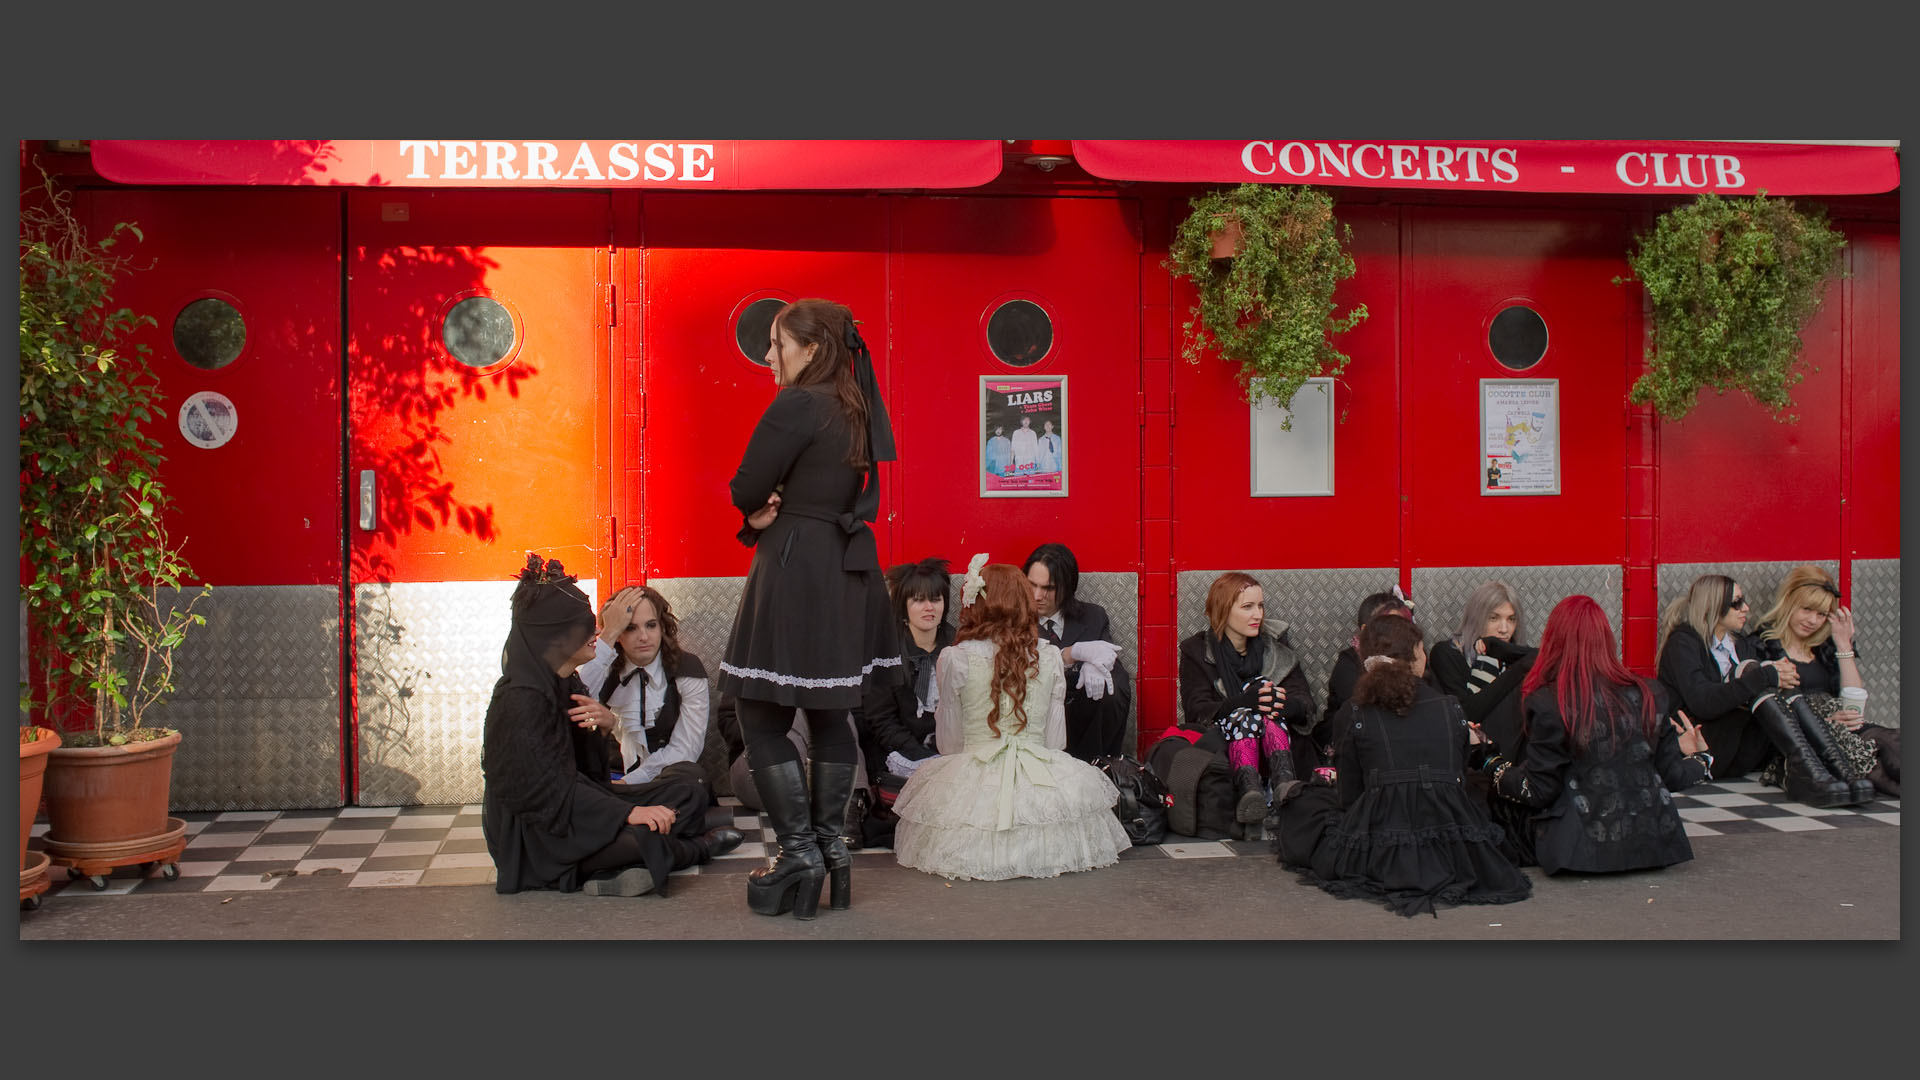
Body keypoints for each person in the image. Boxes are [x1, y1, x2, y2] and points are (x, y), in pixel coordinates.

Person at [718, 298, 901, 920]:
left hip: (797, 565)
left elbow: (746, 486)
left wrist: (759, 508)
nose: (770, 356)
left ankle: (797, 851)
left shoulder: (797, 402)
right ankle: (831, 850)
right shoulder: (853, 405)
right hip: (845, 567)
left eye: (778, 344)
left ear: (812, 349)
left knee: (759, 711)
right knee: (829, 714)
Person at [482, 554, 742, 898]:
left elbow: (588, 773)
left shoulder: (564, 682)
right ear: (555, 638)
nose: (596, 634)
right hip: (538, 835)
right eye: (585, 628)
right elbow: (550, 795)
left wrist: (603, 729)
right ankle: (696, 848)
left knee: (689, 789)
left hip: (579, 805)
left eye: (650, 626)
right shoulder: (520, 701)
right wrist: (629, 812)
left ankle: (627, 855)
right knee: (644, 835)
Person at [1273, 613, 1531, 918]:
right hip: (1445, 832)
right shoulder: (1451, 707)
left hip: (1382, 837)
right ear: (1416, 654)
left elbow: (1350, 796)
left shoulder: (1352, 712)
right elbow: (1457, 777)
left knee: (1305, 804)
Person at [890, 560, 1131, 880]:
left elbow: (949, 743)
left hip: (972, 770)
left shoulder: (954, 658)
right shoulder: (1048, 656)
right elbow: (1056, 742)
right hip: (1039, 771)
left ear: (977, 602)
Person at [1474, 595, 1714, 874]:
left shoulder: (1549, 702)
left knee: (1497, 800)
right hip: (1651, 846)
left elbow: (1537, 790)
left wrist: (1488, 761)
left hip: (1580, 851)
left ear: (1553, 641)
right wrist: (1702, 759)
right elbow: (1673, 776)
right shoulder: (1651, 693)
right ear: (1606, 640)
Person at [1657, 573, 1862, 808]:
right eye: (1736, 603)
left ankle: (1836, 768)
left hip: (1742, 750)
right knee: (1757, 675)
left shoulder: (1740, 644)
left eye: (1743, 601)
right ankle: (1811, 772)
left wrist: (1773, 677)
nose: (1746, 608)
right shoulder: (1684, 642)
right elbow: (1703, 702)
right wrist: (1765, 675)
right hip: (1703, 746)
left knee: (1774, 683)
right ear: (1712, 605)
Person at [1176, 571, 1320, 824]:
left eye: (1261, 606)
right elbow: (1196, 710)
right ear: (1223, 610)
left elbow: (1305, 703)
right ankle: (1250, 793)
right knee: (1247, 716)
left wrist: (1281, 705)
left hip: (1280, 735)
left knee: (1269, 712)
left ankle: (1283, 787)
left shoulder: (1276, 647)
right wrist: (1244, 703)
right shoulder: (1197, 651)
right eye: (1248, 607)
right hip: (1228, 738)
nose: (1258, 615)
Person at [1751, 566, 1898, 799]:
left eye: (1821, 614)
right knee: (1882, 753)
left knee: (1890, 746)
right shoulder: (1761, 647)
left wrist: (1843, 645)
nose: (1813, 621)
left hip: (1847, 728)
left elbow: (1854, 695)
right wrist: (1823, 723)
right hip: (1808, 740)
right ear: (1788, 603)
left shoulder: (1825, 646)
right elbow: (1771, 716)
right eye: (1807, 609)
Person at [578, 585, 710, 791]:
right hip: (609, 777)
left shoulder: (686, 667)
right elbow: (575, 695)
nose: (644, 637)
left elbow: (686, 748)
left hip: (663, 779)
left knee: (692, 780)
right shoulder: (604, 666)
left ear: (662, 627)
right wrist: (608, 636)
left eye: (651, 625)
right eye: (630, 628)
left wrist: (630, 783)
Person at [1022, 542, 1131, 761]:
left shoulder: (1093, 616)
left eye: (1048, 588)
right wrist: (1072, 657)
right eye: (1031, 585)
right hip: (1037, 715)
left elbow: (1109, 659)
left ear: (1067, 587)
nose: (1037, 595)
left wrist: (1094, 664)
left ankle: (1098, 764)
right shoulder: (1015, 620)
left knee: (1114, 680)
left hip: (1085, 717)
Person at [858, 557, 956, 783]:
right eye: (918, 600)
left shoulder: (958, 645)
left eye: (935, 599)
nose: (929, 607)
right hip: (898, 750)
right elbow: (881, 719)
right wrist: (922, 757)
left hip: (950, 751)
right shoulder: (884, 650)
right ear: (903, 606)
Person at [1427, 581, 1537, 758]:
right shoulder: (1448, 653)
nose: (1503, 629)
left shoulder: (1522, 657)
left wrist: (1514, 657)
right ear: (1476, 618)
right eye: (1493, 618)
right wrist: (1515, 667)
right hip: (1469, 762)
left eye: (1511, 619)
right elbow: (1469, 712)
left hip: (1514, 764)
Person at [1322, 588, 1415, 738]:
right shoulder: (1348, 663)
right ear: (1366, 631)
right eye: (1391, 627)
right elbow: (1367, 710)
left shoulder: (1414, 657)